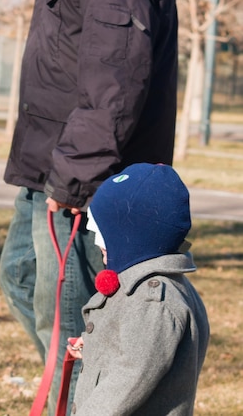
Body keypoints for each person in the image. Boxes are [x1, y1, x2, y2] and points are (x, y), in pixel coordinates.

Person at [0, 0, 179, 415]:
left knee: (76, 328)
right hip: (49, 169)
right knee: (22, 279)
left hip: (83, 181)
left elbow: (117, 76)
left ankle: (87, 404)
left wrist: (77, 176)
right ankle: (77, 395)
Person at [69, 163, 210, 415]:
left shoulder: (153, 301)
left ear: (133, 234)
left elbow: (130, 376)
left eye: (104, 232)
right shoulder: (150, 286)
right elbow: (135, 347)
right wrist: (95, 345)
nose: (96, 239)